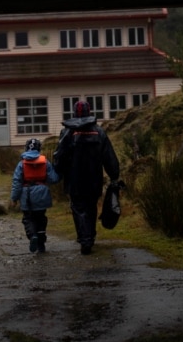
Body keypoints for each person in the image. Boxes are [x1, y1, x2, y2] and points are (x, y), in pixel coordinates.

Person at [52, 99, 120, 255]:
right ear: (90, 112)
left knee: (78, 209)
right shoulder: (99, 132)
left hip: (74, 180)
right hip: (94, 180)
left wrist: (57, 171)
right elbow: (109, 156)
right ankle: (90, 237)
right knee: (91, 208)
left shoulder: (68, 132)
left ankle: (85, 239)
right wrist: (114, 175)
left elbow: (59, 155)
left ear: (74, 113)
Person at [10, 137, 60, 253]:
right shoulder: (45, 162)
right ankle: (41, 244)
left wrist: (14, 198)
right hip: (42, 194)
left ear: (26, 148)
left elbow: (17, 182)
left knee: (28, 218)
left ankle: (33, 236)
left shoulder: (21, 164)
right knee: (41, 218)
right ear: (39, 148)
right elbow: (53, 178)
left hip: (27, 195)